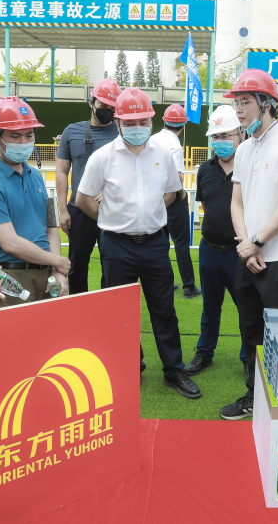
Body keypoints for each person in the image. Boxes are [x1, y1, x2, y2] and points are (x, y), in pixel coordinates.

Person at [76, 88, 201, 399]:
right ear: (118, 122)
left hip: (155, 243)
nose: (137, 127)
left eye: (143, 121)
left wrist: (146, 214)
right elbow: (83, 200)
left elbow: (170, 192)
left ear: (151, 121)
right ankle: (128, 365)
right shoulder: (102, 157)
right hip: (117, 246)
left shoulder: (162, 153)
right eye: (130, 122)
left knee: (164, 310)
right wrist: (111, 218)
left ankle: (174, 370)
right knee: (119, 313)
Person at [220, 69, 278, 421]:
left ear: (266, 104)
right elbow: (236, 203)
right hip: (249, 258)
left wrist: (257, 241)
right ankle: (254, 396)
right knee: (250, 333)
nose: (238, 110)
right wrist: (247, 245)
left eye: (245, 102)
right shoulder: (244, 148)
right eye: (237, 103)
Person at [0, 97, 71, 302]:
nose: (24, 142)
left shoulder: (37, 176)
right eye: (15, 136)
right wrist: (58, 261)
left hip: (47, 276)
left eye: (29, 135)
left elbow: (51, 227)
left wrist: (57, 271)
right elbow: (10, 243)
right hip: (10, 280)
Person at [185, 105, 245, 375]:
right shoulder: (205, 170)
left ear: (240, 134)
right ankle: (205, 352)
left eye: (225, 136)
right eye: (216, 137)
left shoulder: (249, 166)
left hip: (238, 252)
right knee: (210, 307)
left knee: (245, 307)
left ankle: (248, 357)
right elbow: (206, 206)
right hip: (209, 250)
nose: (220, 142)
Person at [55, 79, 121, 294]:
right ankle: (78, 306)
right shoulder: (71, 132)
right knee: (77, 264)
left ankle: (107, 306)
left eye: (112, 107)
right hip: (79, 209)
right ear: (91, 102)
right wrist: (63, 210)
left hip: (111, 210)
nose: (107, 111)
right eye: (103, 105)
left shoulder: (122, 133)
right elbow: (61, 171)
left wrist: (109, 189)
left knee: (111, 265)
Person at [150, 103, 201, 298]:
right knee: (181, 243)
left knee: (160, 243)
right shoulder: (175, 145)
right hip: (172, 199)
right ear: (182, 125)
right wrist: (181, 193)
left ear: (164, 121)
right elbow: (177, 177)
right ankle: (189, 286)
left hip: (155, 199)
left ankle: (165, 282)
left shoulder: (153, 139)